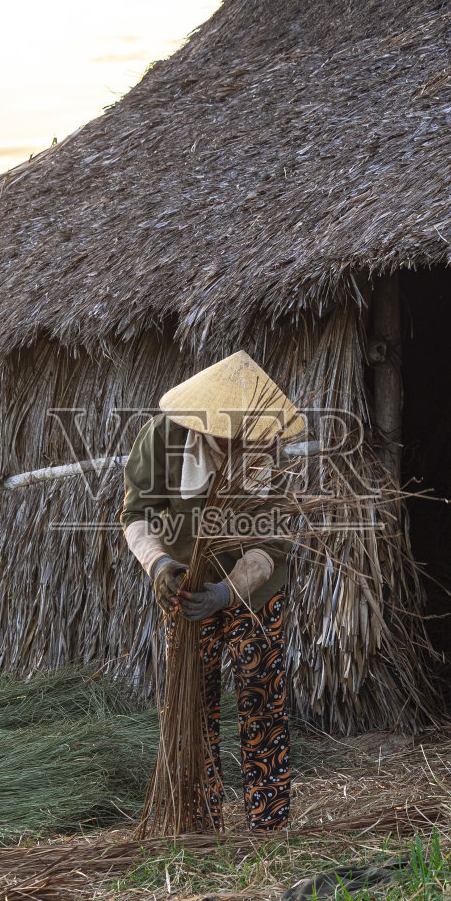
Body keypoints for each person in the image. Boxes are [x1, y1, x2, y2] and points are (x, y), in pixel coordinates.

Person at [121, 350, 305, 832]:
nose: (230, 438)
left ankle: (268, 823)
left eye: (239, 429)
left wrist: (228, 592)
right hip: (184, 589)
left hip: (255, 589)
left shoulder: (264, 444)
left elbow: (272, 540)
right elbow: (136, 515)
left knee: (261, 696)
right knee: (192, 701)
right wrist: (160, 565)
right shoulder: (162, 438)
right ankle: (200, 822)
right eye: (222, 429)